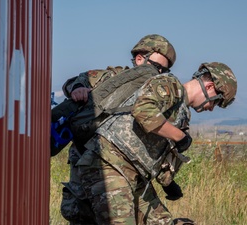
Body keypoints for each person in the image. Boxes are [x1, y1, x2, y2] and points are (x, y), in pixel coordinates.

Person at [67, 62, 237, 224]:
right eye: (216, 101)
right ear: (209, 87)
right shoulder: (170, 84)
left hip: (135, 173)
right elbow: (142, 111)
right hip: (108, 163)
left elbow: (159, 153)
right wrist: (180, 137)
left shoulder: (182, 114)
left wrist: (169, 184)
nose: (211, 108)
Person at [60, 34, 178, 224]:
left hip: (127, 172)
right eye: (156, 67)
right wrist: (78, 88)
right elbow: (74, 82)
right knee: (85, 214)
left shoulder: (155, 96)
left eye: (164, 71)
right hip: (88, 162)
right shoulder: (114, 77)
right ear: (140, 59)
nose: (159, 74)